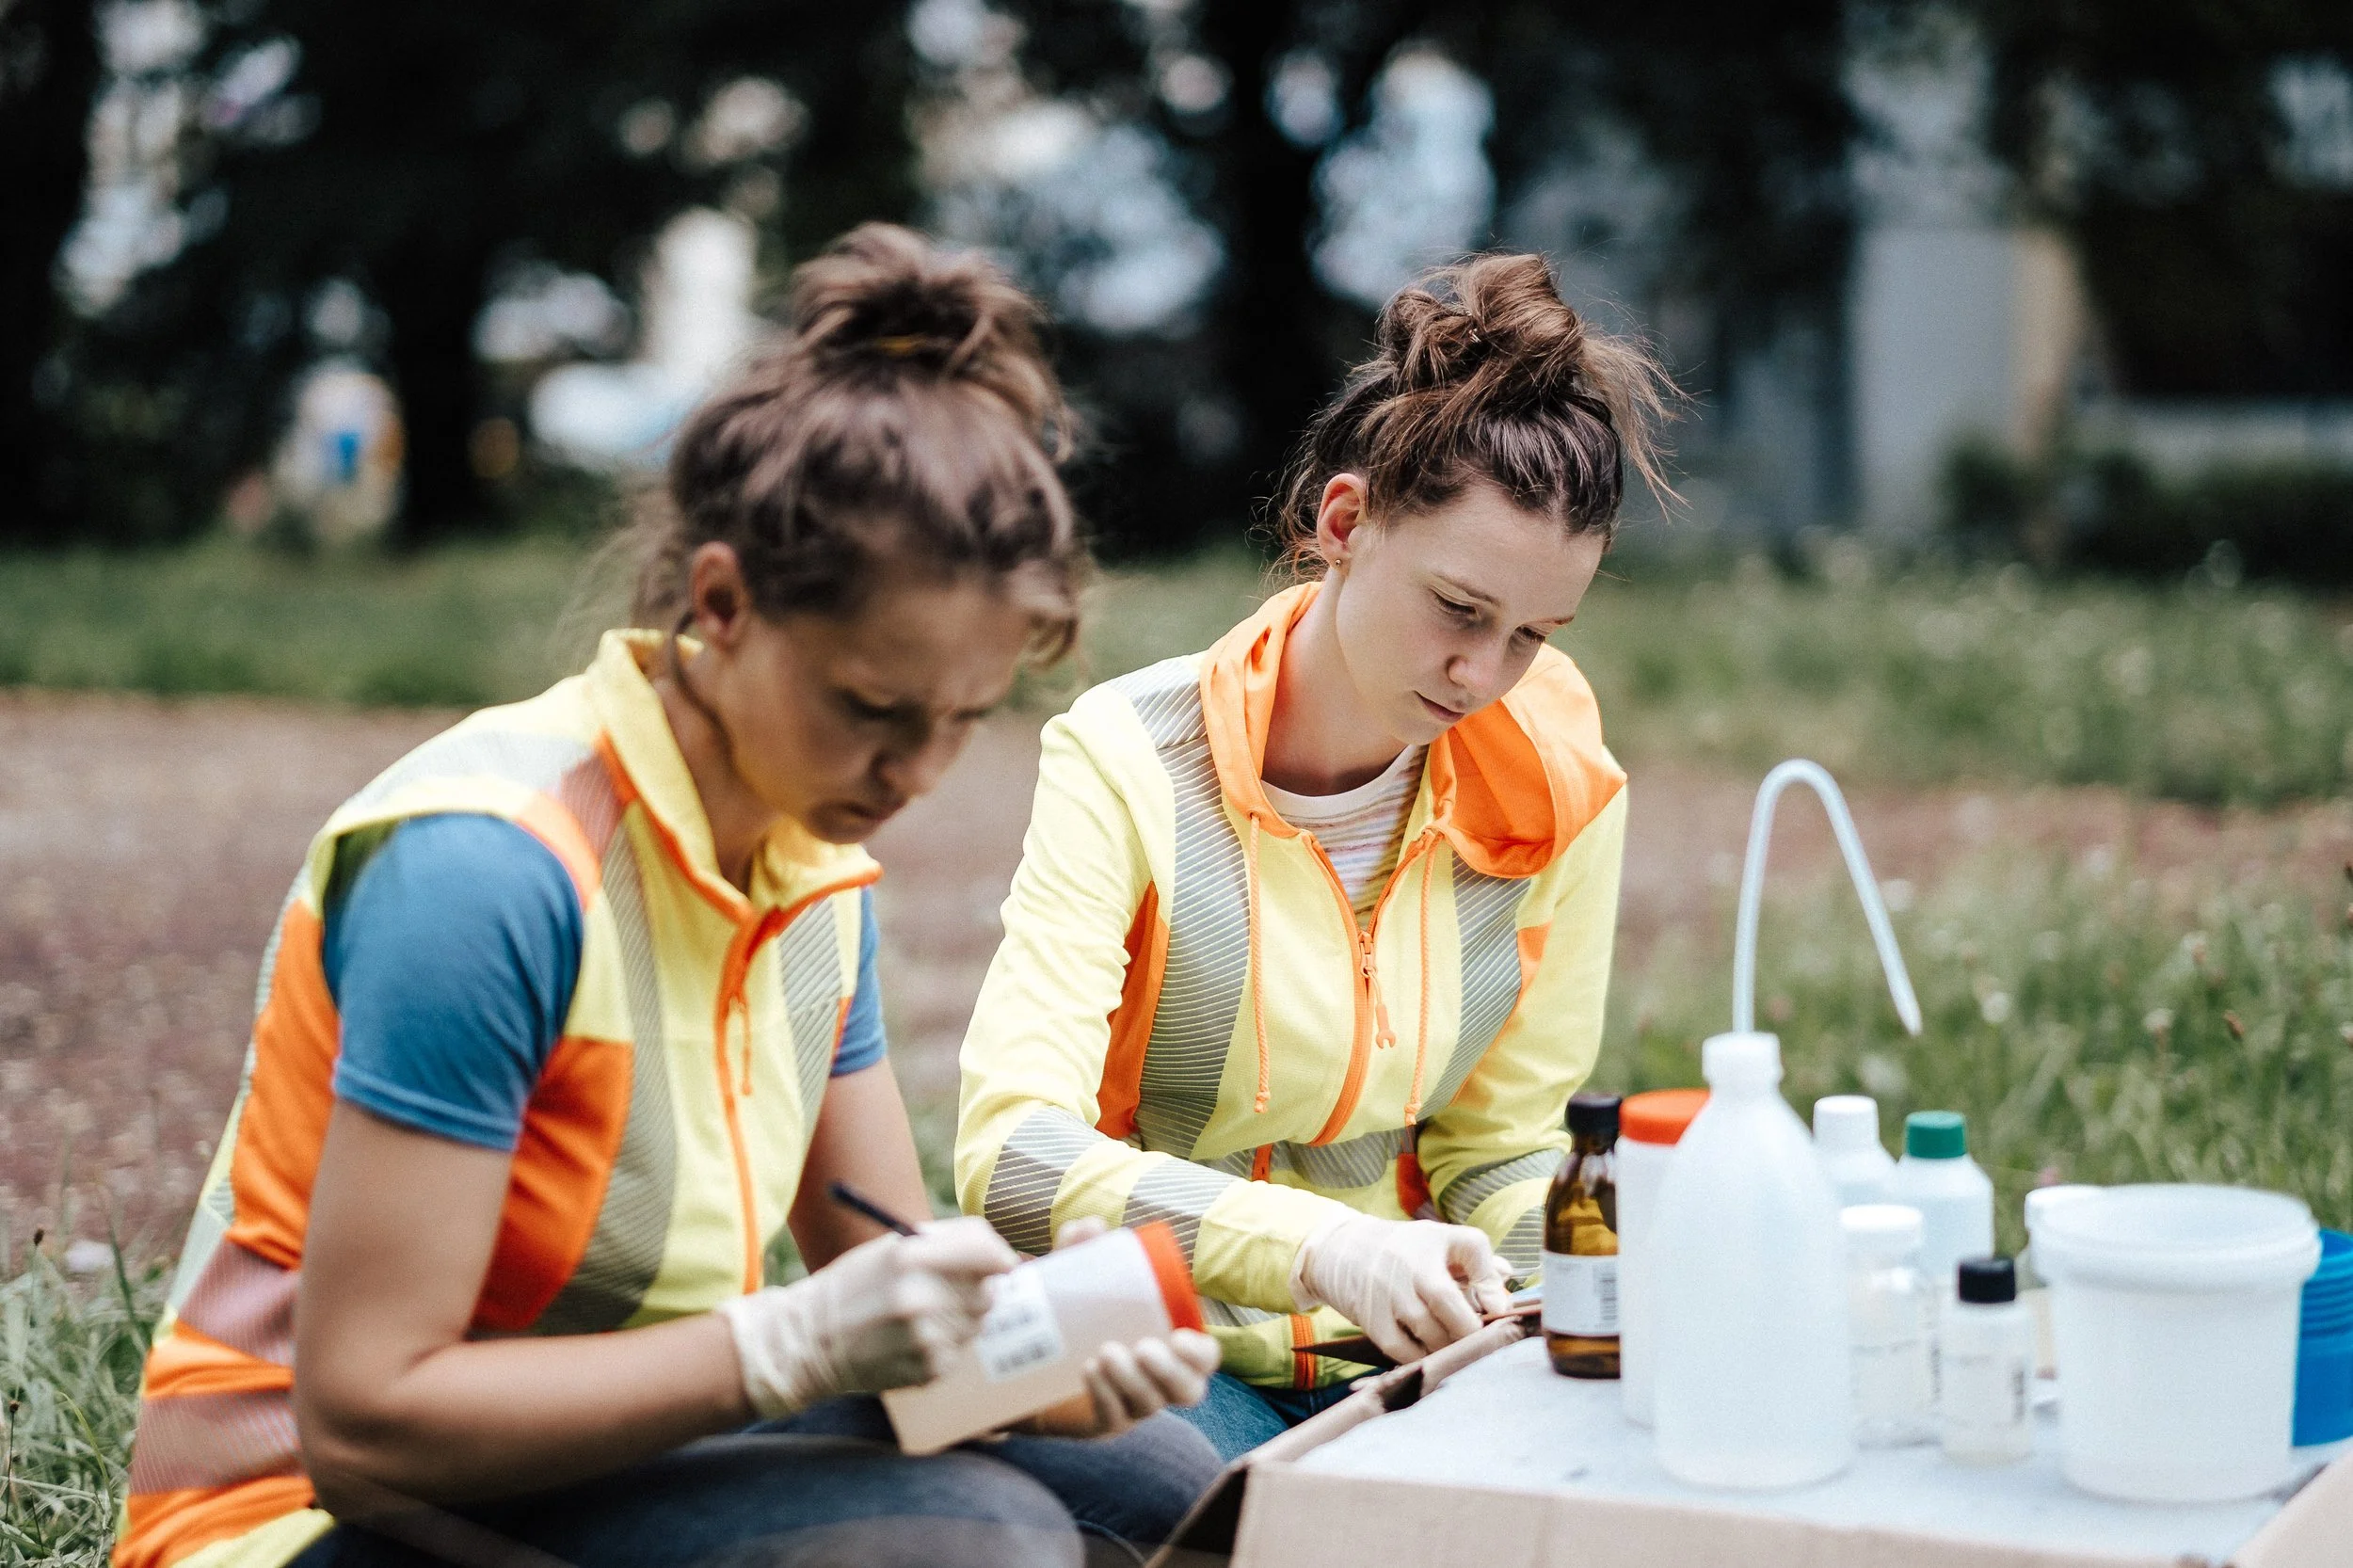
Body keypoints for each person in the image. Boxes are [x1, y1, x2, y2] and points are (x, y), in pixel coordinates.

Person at [115, 225, 1224, 1568]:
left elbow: (883, 1255)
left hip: (593, 1456)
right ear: (723, 600)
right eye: (872, 707)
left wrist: (1034, 1357)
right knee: (968, 1540)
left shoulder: (811, 867)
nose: (914, 772)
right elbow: (364, 1425)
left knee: (1155, 1470)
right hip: (303, 1514)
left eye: (962, 719)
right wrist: (792, 1340)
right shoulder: (487, 869)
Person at [953, 252, 1673, 1461]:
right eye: (1458, 608)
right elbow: (1011, 1154)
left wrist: (1561, 1283)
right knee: (1167, 1474)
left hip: (1414, 1365)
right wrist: (1327, 1250)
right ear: (1343, 523)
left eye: (1532, 635)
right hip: (1150, 1352)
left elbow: (1498, 1144)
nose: (1482, 676)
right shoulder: (1126, 759)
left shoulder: (1556, 776)